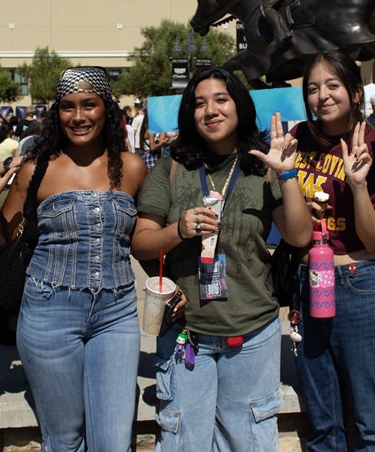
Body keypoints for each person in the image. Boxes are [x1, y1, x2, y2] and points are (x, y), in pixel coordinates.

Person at [132, 67, 313, 452]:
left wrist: (287, 175)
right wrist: (178, 229)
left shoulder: (260, 165)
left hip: (252, 333)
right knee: (184, 442)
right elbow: (141, 242)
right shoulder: (172, 167)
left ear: (239, 106)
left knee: (249, 441)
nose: (209, 110)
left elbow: (299, 236)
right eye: (199, 103)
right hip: (186, 332)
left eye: (220, 99)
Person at [0, 66, 148, 451]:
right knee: (64, 438)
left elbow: (143, 240)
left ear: (107, 109)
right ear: (57, 113)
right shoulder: (35, 170)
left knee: (114, 441)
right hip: (47, 315)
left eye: (89, 105)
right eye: (68, 107)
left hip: (116, 316)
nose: (79, 116)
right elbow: (0, 246)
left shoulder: (133, 168)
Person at [289, 50, 375, 450]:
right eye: (313, 88)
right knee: (323, 425)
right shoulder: (296, 138)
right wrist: (284, 175)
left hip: (360, 284)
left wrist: (356, 186)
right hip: (308, 281)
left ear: (355, 93)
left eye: (333, 86)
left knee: (371, 423)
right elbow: (289, 232)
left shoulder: (370, 141)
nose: (322, 96)